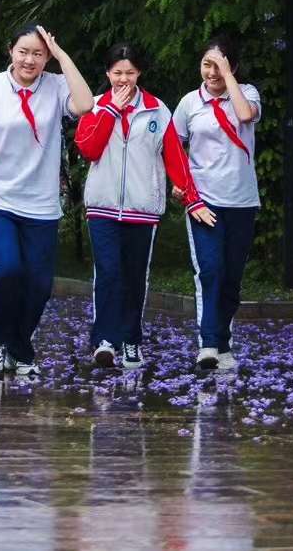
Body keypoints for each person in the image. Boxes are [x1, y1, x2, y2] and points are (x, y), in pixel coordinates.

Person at [74, 41, 216, 370]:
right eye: (117, 73)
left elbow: (174, 159)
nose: (123, 80)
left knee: (135, 277)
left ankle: (131, 341)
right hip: (103, 207)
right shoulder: (93, 106)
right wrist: (110, 111)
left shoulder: (156, 109)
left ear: (139, 73)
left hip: (142, 208)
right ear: (107, 73)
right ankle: (104, 341)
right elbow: (89, 149)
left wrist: (191, 197)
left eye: (130, 73)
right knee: (107, 273)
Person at [0, 23, 92, 379]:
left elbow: (84, 105)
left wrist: (62, 55)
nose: (29, 60)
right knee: (6, 270)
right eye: (23, 52)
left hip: (41, 203)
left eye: (38, 53)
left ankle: (20, 346)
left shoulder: (56, 86)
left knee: (39, 284)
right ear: (10, 51)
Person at [172, 32, 262, 373]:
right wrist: (181, 189)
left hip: (242, 202)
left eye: (219, 66)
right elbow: (173, 151)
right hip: (204, 203)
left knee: (231, 278)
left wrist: (228, 77)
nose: (211, 73)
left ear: (233, 67)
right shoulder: (188, 103)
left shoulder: (247, 93)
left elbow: (244, 115)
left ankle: (223, 342)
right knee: (209, 271)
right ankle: (208, 344)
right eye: (207, 64)